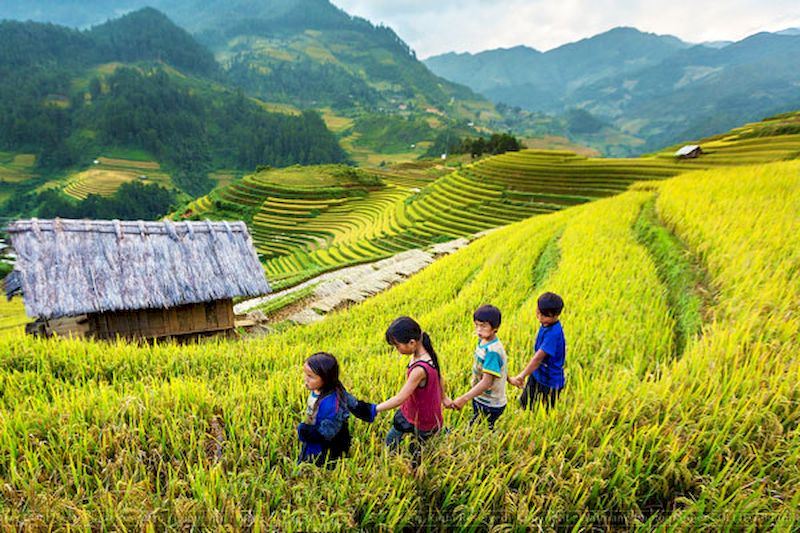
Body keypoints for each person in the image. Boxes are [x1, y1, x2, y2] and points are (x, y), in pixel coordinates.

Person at [375, 317, 445, 454]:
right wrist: (445, 397)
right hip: (410, 409)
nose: (396, 349)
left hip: (424, 418)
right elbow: (440, 377)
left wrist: (375, 409)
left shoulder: (420, 370)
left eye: (397, 346)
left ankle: (413, 470)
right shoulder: (422, 348)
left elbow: (400, 398)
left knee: (416, 451)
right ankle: (389, 456)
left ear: (412, 343)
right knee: (392, 438)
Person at [297, 352, 376, 466]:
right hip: (316, 428)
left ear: (325, 379)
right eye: (305, 374)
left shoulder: (331, 404)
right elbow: (354, 404)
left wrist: (305, 431)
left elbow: (327, 433)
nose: (306, 379)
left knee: (321, 464)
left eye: (311, 376)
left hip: (328, 443)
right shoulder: (325, 389)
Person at [447, 305, 508, 430]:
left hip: (490, 403)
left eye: (483, 326)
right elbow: (499, 367)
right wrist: (510, 378)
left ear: (495, 328)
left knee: (478, 429)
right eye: (476, 325)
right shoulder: (483, 341)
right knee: (479, 425)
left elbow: (486, 382)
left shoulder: (492, 352)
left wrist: (464, 398)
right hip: (481, 397)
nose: (479, 330)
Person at [509, 292, 566, 410]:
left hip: (550, 382)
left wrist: (522, 375)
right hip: (537, 375)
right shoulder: (546, 324)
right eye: (538, 312)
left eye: (545, 315)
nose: (540, 317)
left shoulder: (553, 334)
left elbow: (538, 358)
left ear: (556, 315)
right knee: (524, 403)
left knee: (544, 411)